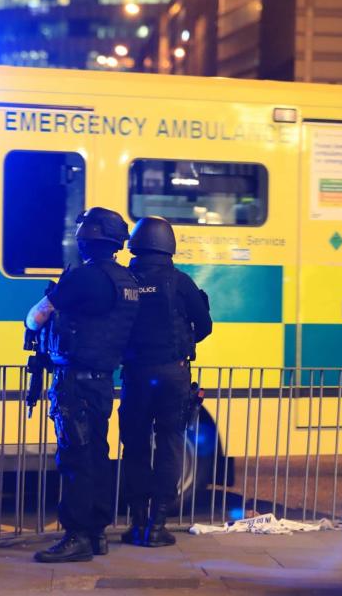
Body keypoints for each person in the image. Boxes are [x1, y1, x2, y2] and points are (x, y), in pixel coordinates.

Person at [25, 207, 139, 563]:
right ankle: (96, 533)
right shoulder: (128, 282)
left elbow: (35, 317)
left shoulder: (82, 279)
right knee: (96, 455)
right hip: (103, 381)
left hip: (74, 382)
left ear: (87, 238)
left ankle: (75, 537)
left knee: (74, 457)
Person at [118, 216, 212, 548]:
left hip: (135, 373)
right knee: (170, 443)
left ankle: (137, 522)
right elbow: (204, 325)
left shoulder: (125, 279)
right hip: (173, 373)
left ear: (136, 245)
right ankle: (157, 526)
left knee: (136, 446)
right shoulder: (179, 282)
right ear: (168, 246)